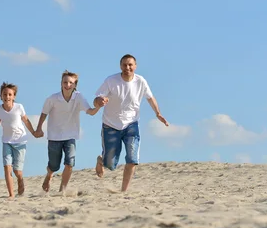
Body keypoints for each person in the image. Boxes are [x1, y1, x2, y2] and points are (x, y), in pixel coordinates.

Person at [93, 54, 169, 192]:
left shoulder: (141, 81)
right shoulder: (111, 81)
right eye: (124, 65)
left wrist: (158, 113)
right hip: (111, 125)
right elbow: (97, 98)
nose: (127, 67)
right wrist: (99, 101)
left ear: (135, 66)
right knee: (110, 164)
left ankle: (124, 191)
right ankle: (101, 160)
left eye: (130, 65)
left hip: (131, 125)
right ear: (120, 66)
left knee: (132, 158)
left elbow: (150, 98)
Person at [35, 70, 100, 193]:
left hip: (70, 135)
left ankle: (62, 190)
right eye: (65, 82)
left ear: (75, 85)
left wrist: (98, 107)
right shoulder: (53, 98)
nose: (67, 84)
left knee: (70, 163)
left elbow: (90, 112)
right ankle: (49, 175)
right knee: (54, 165)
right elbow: (44, 113)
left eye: (71, 82)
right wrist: (39, 128)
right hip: (54, 135)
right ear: (61, 83)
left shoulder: (79, 97)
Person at [0, 82, 41, 199]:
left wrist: (34, 132)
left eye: (10, 94)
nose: (7, 97)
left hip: (20, 141)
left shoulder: (19, 107)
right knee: (7, 167)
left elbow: (26, 121)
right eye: (4, 94)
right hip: (6, 142)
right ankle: (11, 194)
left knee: (17, 171)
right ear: (1, 96)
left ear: (14, 96)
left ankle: (20, 179)